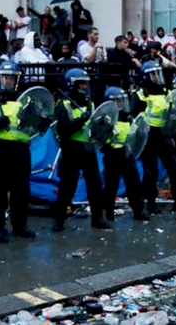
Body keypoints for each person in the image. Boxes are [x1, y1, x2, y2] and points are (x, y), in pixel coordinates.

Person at [0, 61, 37, 243]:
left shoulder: (24, 98)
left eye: (11, 78)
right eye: (4, 78)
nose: (7, 81)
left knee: (21, 191)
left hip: (20, 151)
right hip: (0, 151)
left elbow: (35, 123)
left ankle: (20, 225)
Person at [130, 61, 176, 214]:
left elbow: (173, 113)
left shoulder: (166, 92)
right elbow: (134, 116)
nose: (157, 77)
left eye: (158, 73)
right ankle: (150, 203)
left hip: (163, 134)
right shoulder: (139, 94)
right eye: (153, 74)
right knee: (151, 171)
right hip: (147, 136)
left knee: (175, 166)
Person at [52, 69, 110, 231]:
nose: (84, 87)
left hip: (88, 148)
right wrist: (80, 120)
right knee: (67, 187)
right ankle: (59, 220)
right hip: (71, 149)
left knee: (95, 185)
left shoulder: (89, 103)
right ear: (72, 84)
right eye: (81, 83)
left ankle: (97, 218)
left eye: (86, 83)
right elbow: (63, 129)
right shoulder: (63, 104)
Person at [100, 87, 149, 222]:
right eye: (118, 101)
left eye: (122, 100)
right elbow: (99, 139)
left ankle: (138, 211)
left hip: (126, 153)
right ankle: (109, 212)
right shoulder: (106, 119)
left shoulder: (127, 117)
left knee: (134, 183)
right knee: (111, 186)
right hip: (112, 155)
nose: (122, 103)